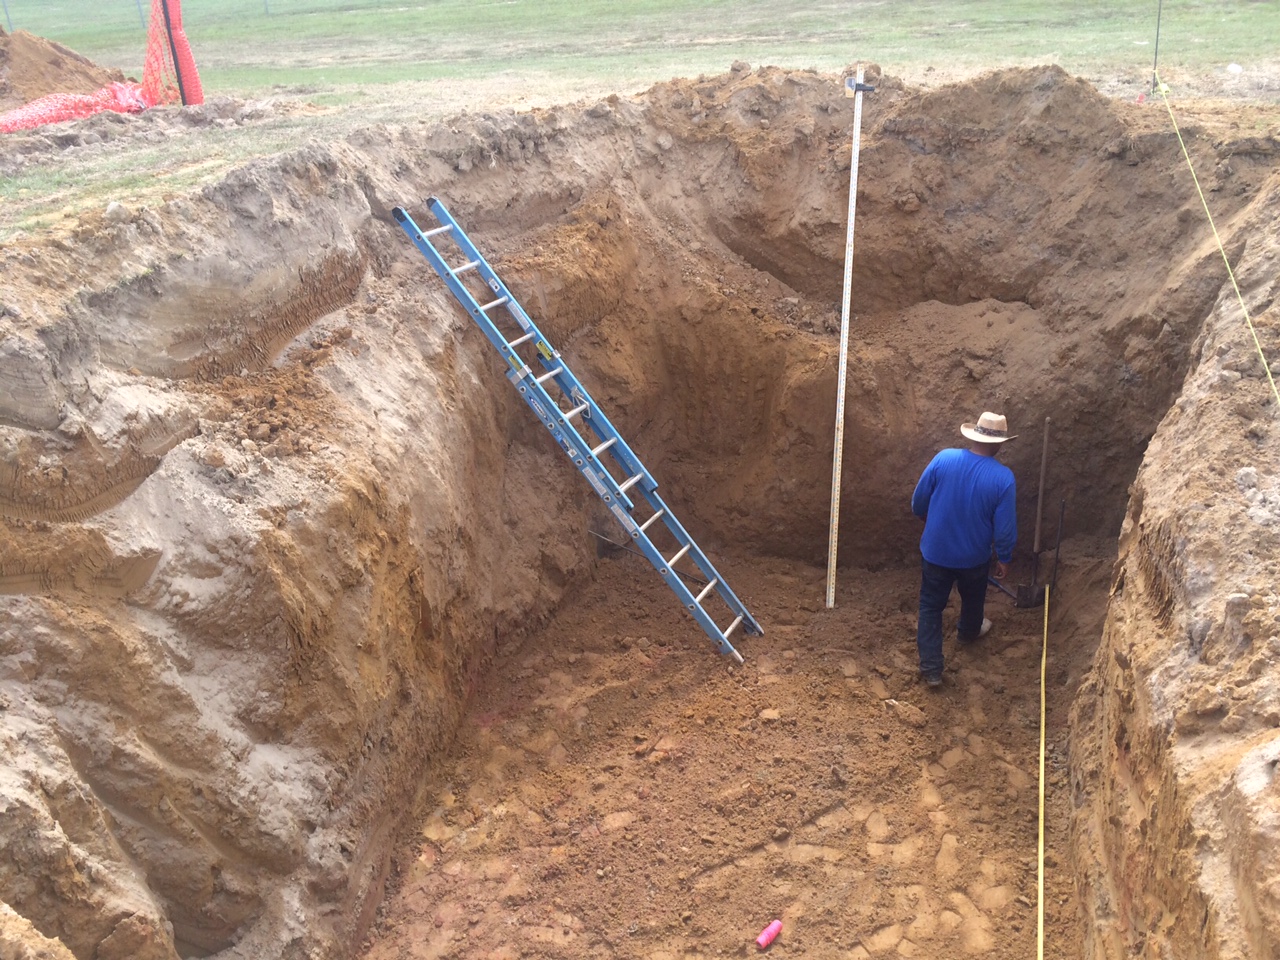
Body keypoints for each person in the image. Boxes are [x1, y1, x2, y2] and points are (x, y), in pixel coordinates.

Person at [910, 411, 1017, 687]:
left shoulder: (943, 458)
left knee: (930, 606)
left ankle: (932, 669)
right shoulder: (1003, 478)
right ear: (1000, 443)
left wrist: (925, 517)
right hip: (973, 559)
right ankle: (968, 632)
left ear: (974, 435)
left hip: (935, 552)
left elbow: (918, 501)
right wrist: (1004, 557)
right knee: (973, 596)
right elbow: (1004, 528)